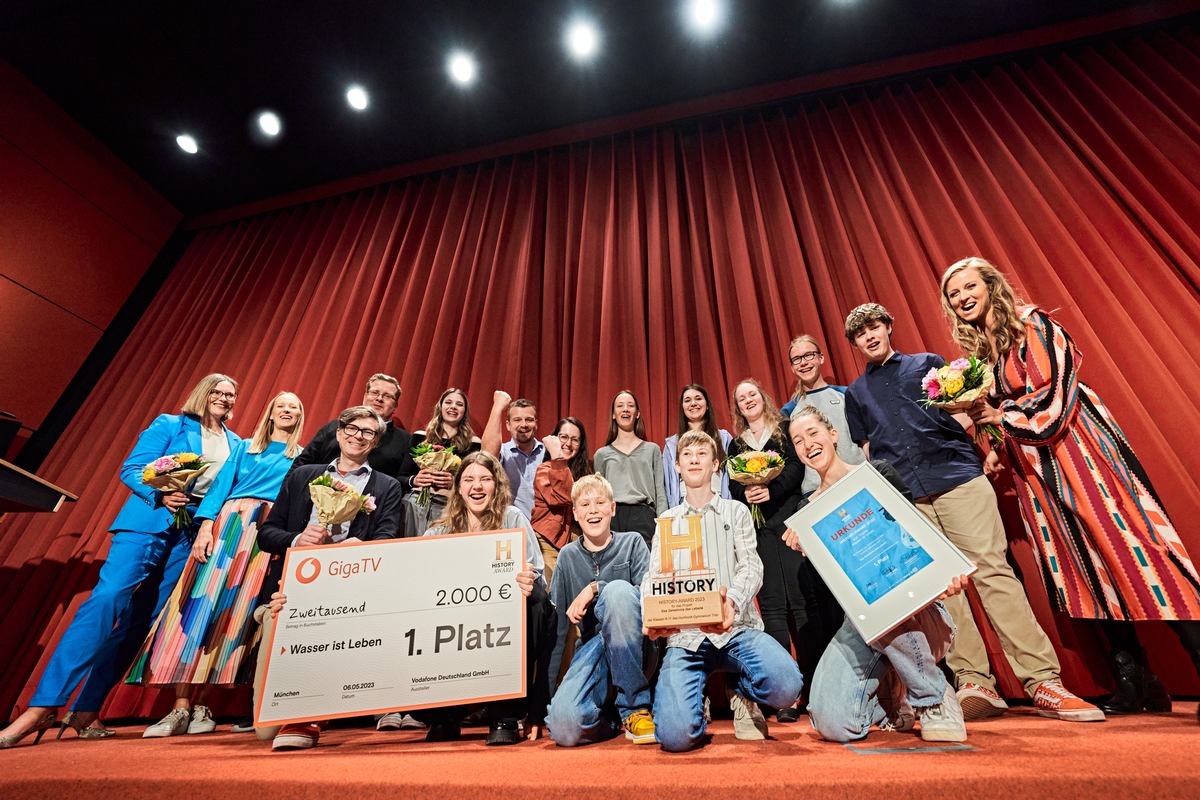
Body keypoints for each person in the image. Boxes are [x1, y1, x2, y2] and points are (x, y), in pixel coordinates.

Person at [941, 256, 1200, 719]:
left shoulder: (1033, 325)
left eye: (968, 286)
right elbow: (1006, 404)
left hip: (1079, 454)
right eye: (954, 293)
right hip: (1036, 469)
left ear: (991, 285)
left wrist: (1005, 419)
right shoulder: (986, 352)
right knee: (1086, 566)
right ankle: (1136, 679)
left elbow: (1057, 396)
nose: (962, 298)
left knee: (1137, 553)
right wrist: (998, 443)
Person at [842, 302, 1102, 722]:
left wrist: (990, 449)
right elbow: (871, 452)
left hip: (958, 478)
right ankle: (974, 681)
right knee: (945, 590)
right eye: (860, 334)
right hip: (909, 497)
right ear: (854, 344)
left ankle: (1041, 680)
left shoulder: (929, 365)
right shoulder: (855, 394)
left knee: (993, 573)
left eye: (875, 327)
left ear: (889, 327)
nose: (869, 336)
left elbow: (964, 414)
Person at [1, 374, 241, 749]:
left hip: (189, 535)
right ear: (203, 393)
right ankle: (42, 707)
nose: (225, 398)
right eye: (218, 391)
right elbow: (132, 469)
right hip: (148, 521)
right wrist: (159, 494)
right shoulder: (171, 424)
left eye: (231, 395)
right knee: (107, 599)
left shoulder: (236, 443)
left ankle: (86, 710)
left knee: (143, 621)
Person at [784, 406, 968, 743]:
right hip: (861, 622)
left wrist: (945, 573)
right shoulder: (807, 512)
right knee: (830, 723)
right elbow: (836, 588)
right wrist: (808, 548)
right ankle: (892, 696)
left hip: (914, 612)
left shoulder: (877, 473)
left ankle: (935, 698)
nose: (807, 443)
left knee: (882, 590)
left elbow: (918, 536)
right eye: (798, 441)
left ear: (833, 435)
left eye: (813, 433)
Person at [130, 391, 305, 738]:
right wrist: (206, 526)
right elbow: (219, 488)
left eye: (294, 408)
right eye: (281, 406)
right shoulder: (245, 448)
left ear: (300, 418)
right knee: (198, 611)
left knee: (235, 618)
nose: (287, 411)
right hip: (228, 527)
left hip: (265, 534)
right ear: (270, 413)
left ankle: (202, 707)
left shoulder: (300, 457)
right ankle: (178, 708)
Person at [253, 405, 404, 751]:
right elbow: (267, 534)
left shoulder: (386, 486)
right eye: (352, 428)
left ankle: (307, 715)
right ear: (338, 433)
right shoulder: (303, 475)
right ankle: (291, 706)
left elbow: (387, 538)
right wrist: (297, 540)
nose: (358, 435)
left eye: (368, 432)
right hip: (295, 588)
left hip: (352, 586)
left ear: (376, 442)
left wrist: (359, 547)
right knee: (264, 731)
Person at [645, 430, 804, 752]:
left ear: (716, 464)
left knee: (787, 687)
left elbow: (752, 566)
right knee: (675, 738)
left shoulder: (737, 511)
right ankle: (694, 704)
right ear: (676, 466)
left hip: (738, 630)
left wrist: (731, 601)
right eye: (687, 455)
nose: (693, 459)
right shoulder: (666, 520)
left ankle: (744, 694)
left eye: (701, 454)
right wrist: (651, 614)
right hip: (686, 637)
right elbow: (654, 576)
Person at [418, 451, 555, 745]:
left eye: (485, 479)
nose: (477, 486)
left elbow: (536, 573)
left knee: (537, 600)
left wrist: (525, 580)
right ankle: (444, 713)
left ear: (497, 485)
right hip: (455, 617)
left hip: (502, 614)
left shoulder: (512, 517)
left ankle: (505, 713)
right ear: (458, 487)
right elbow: (420, 581)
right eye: (468, 479)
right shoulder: (438, 530)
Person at [727, 378, 831, 721]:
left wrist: (771, 491)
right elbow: (733, 484)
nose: (748, 401)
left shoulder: (785, 430)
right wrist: (748, 494)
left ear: (762, 397)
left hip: (789, 521)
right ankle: (784, 695)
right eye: (742, 399)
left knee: (804, 604)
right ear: (738, 408)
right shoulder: (736, 445)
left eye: (752, 395)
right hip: (758, 529)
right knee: (771, 606)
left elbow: (796, 468)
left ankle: (815, 688)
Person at [545, 474, 654, 746]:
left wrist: (595, 588)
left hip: (635, 648)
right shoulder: (568, 557)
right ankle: (614, 718)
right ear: (576, 514)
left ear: (613, 509)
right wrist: (541, 703)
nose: (593, 509)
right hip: (593, 650)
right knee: (564, 728)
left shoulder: (633, 543)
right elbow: (556, 630)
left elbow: (650, 599)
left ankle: (635, 707)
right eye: (584, 504)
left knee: (617, 591)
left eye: (600, 502)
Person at [779, 335, 866, 497]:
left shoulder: (846, 394)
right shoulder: (788, 411)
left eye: (808, 355)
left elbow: (865, 440)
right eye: (797, 359)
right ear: (792, 367)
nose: (803, 362)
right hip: (818, 489)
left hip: (858, 475)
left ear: (821, 358)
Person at [290, 373, 413, 485]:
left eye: (387, 396)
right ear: (365, 396)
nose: (379, 398)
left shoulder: (405, 441)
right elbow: (303, 462)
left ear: (396, 405)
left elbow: (401, 481)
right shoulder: (336, 426)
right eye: (375, 392)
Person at [396, 387, 482, 538]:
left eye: (459, 404)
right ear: (440, 407)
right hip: (415, 503)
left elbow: (474, 482)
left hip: (447, 506)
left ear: (464, 411)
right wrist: (415, 480)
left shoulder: (473, 443)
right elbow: (400, 478)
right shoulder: (420, 437)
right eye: (448, 402)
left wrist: (455, 482)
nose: (453, 407)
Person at [593, 390, 668, 549]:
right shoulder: (602, 454)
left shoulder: (652, 450)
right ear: (614, 414)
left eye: (630, 405)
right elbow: (599, 496)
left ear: (637, 413)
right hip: (613, 516)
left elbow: (660, 491)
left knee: (644, 569)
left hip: (644, 515)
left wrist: (663, 527)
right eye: (620, 406)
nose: (625, 409)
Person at [530, 417, 593, 585]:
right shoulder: (544, 469)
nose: (568, 443)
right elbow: (563, 498)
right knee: (552, 593)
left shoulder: (587, 471)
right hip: (548, 540)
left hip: (579, 540)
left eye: (575, 439)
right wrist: (558, 458)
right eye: (563, 437)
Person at [662, 384, 733, 507]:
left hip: (720, 506)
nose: (693, 403)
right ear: (682, 408)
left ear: (707, 405)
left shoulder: (724, 438)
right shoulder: (672, 445)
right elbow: (668, 485)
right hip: (684, 509)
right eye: (687, 400)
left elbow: (733, 477)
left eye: (698, 398)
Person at [482, 391, 544, 518]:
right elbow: (486, 455)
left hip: (546, 530)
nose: (524, 425)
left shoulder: (548, 451)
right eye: (517, 420)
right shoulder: (503, 452)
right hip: (514, 527)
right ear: (508, 425)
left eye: (529, 420)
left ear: (536, 424)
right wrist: (498, 407)